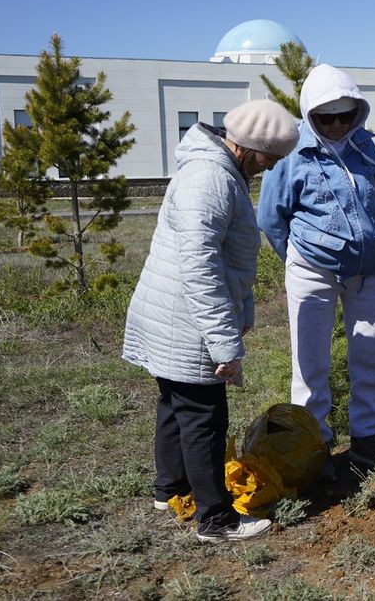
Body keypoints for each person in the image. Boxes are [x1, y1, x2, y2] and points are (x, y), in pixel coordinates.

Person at [123, 99, 299, 542]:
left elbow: (227, 258)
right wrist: (224, 344)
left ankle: (171, 489)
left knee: (175, 403)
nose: (271, 167)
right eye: (270, 158)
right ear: (249, 147)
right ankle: (216, 520)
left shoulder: (220, 171)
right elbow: (201, 270)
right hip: (185, 319)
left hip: (172, 314)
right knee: (204, 416)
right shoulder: (211, 180)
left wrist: (242, 313)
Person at [257, 64, 375, 470]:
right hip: (311, 269)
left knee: (371, 355)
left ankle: (367, 442)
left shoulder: (365, 145)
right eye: (325, 117)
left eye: (345, 115)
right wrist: (299, 259)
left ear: (358, 111)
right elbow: (270, 216)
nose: (336, 125)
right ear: (309, 114)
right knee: (309, 363)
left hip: (371, 270)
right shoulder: (291, 152)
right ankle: (313, 449)